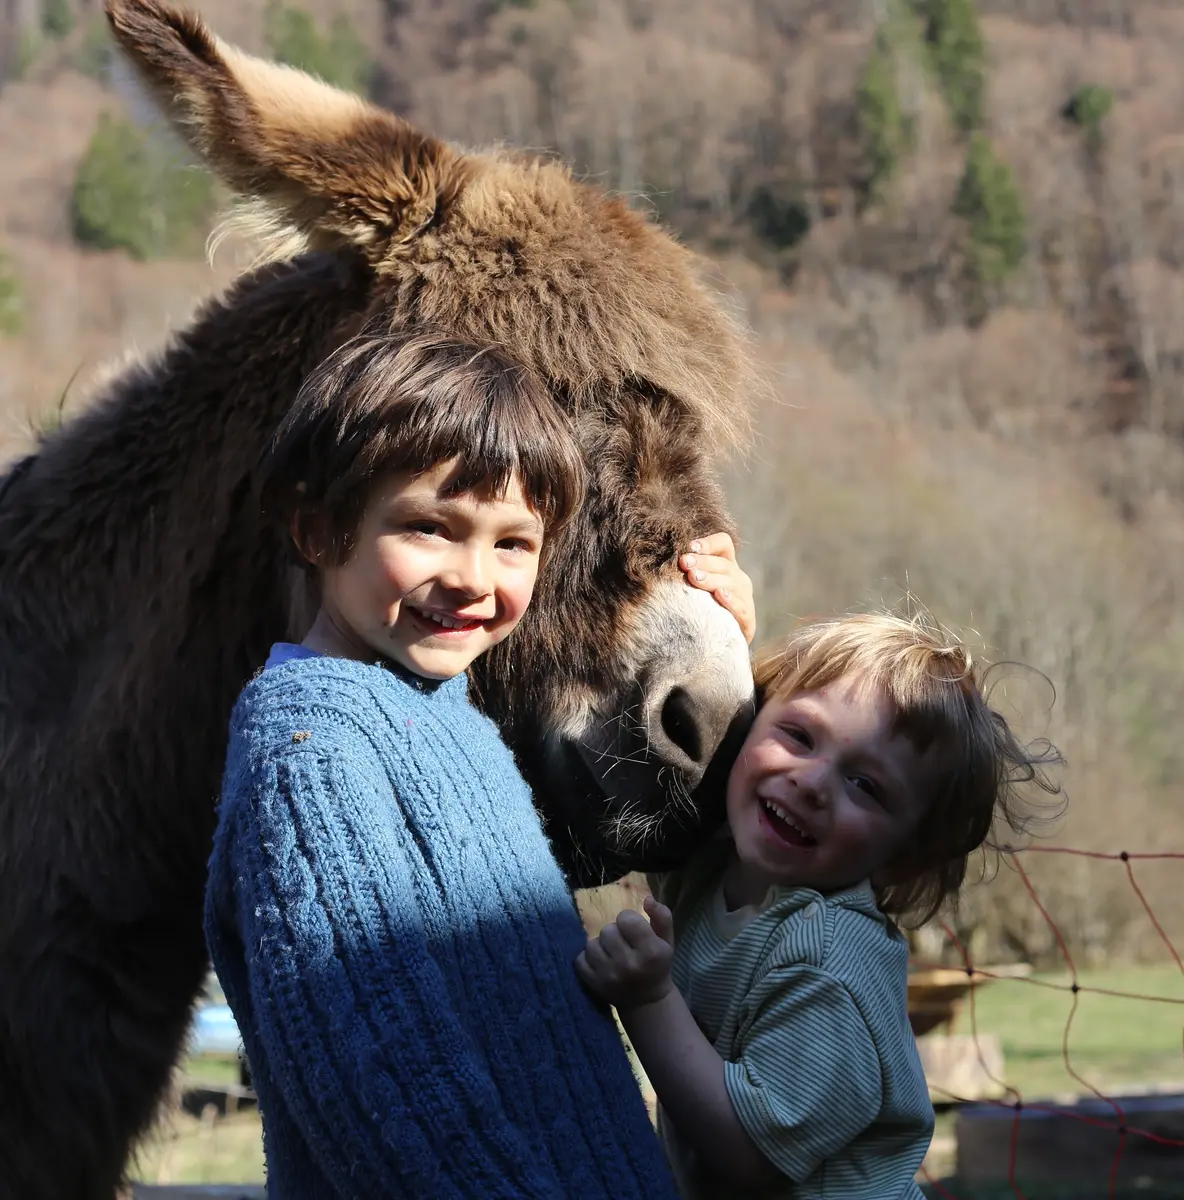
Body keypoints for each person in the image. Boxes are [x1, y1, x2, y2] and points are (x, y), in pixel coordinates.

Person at [202, 331, 755, 1199]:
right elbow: (379, 1082)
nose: (473, 578)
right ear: (316, 527)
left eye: (514, 545)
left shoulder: (439, 710)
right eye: (430, 528)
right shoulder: (312, 757)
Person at [576, 610, 1063, 1199]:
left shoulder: (828, 961)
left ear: (902, 857)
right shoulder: (715, 864)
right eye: (800, 736)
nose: (812, 782)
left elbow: (749, 1154)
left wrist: (648, 999)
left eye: (867, 786)